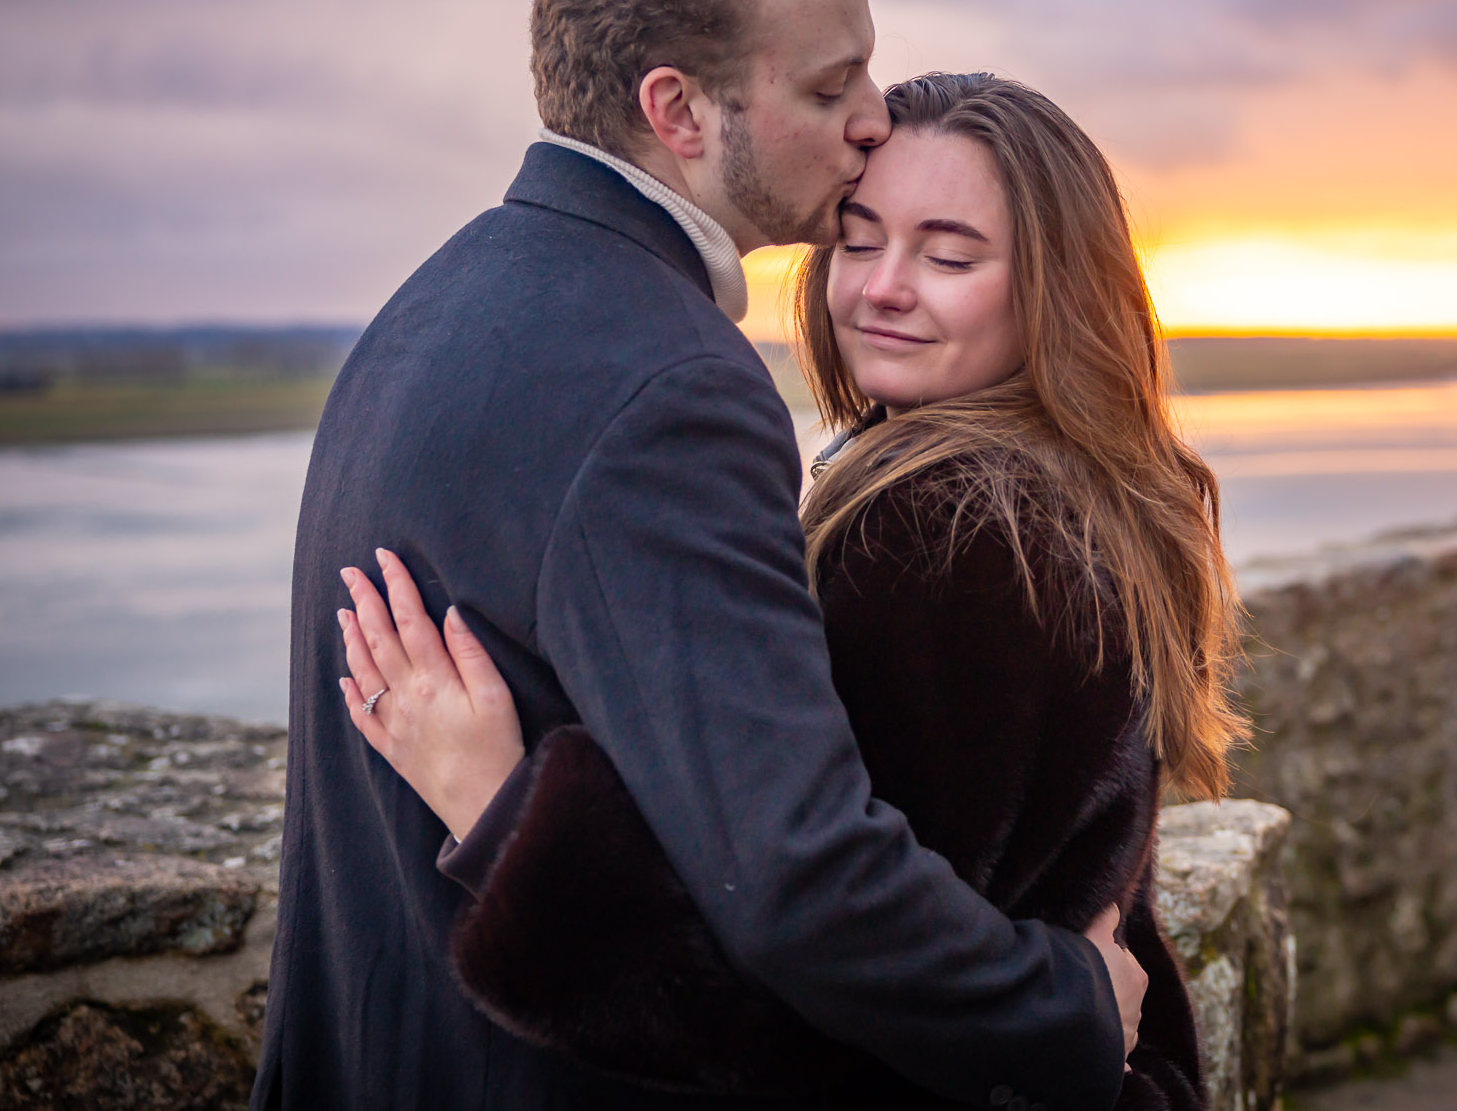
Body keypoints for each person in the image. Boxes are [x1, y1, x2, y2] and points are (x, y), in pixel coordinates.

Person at [252, 0, 1143, 1111]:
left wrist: (502, 796)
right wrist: (1063, 1008)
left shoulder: (432, 306)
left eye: (949, 253)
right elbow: (797, 887)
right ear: (677, 111)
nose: (871, 118)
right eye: (830, 87)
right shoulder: (670, 384)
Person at [336, 72, 1249, 1109]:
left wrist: (503, 811)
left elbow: (808, 1001)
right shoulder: (1074, 495)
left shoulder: (952, 538)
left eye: (949, 256)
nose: (882, 287)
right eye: (858, 242)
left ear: (1059, 290)